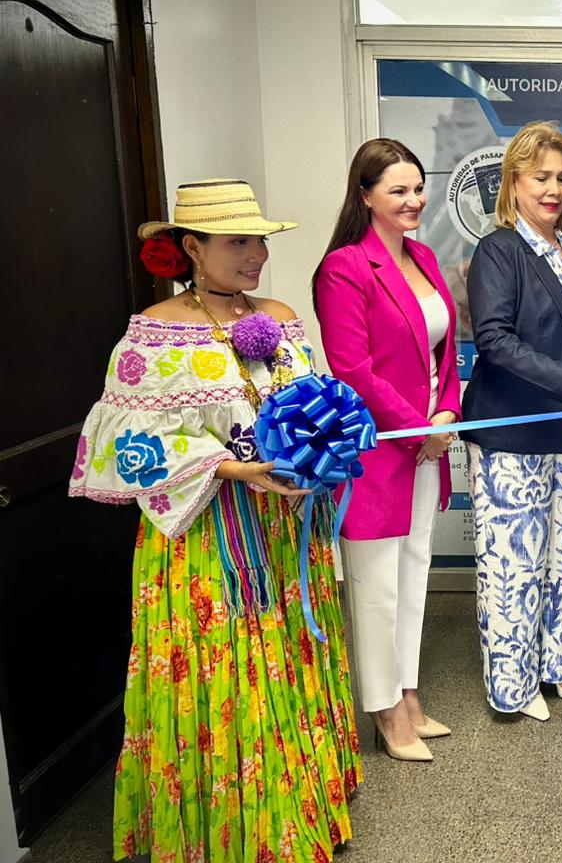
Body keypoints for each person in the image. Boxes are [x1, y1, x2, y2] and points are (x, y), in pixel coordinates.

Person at [70, 180, 360, 862]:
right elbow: (124, 443)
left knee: (285, 662)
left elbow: (311, 408)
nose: (257, 254)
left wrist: (319, 457)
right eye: (238, 241)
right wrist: (229, 468)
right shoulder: (153, 333)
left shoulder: (282, 318)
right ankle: (232, 831)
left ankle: (295, 811)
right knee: (229, 670)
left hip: (285, 531)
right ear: (191, 247)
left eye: (260, 239)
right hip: (210, 543)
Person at [313, 139, 462, 761]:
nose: (414, 201)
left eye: (418, 187)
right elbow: (353, 371)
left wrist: (448, 410)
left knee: (415, 572)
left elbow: (445, 352)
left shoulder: (425, 256)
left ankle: (408, 690)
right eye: (398, 190)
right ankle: (384, 709)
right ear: (366, 195)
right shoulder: (344, 268)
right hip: (379, 453)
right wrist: (417, 426)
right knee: (375, 584)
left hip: (427, 444)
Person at [462, 121, 562, 721]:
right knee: (515, 564)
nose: (554, 189)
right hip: (515, 432)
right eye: (541, 177)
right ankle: (515, 688)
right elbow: (494, 340)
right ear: (514, 182)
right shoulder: (499, 250)